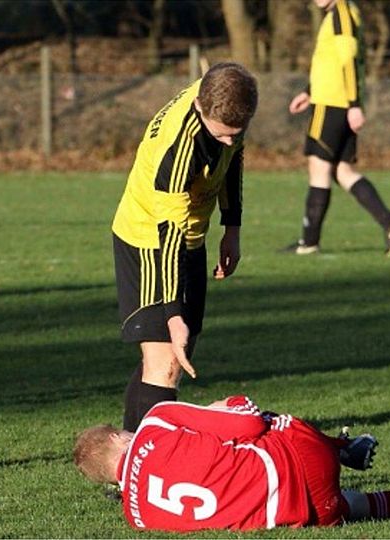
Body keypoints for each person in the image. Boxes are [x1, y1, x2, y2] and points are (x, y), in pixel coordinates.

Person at [74, 396, 390, 532]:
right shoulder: (155, 421)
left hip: (305, 512)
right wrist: (225, 404)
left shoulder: (138, 518)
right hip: (303, 457)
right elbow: (244, 425)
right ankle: (344, 448)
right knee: (259, 418)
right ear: (117, 436)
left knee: (360, 506)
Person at [112, 63, 257, 433]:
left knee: (170, 360)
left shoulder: (222, 94)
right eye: (222, 135)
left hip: (191, 236)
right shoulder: (180, 148)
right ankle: (143, 474)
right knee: (165, 361)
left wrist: (232, 227)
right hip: (150, 239)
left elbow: (233, 157)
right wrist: (174, 313)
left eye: (236, 134)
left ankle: (130, 465)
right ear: (199, 106)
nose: (230, 141)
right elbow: (170, 231)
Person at [283, 0, 390, 256]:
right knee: (342, 170)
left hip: (332, 104)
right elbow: (333, 63)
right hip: (334, 99)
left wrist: (354, 105)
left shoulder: (341, 14)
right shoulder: (342, 13)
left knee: (319, 169)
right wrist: (309, 91)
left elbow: (348, 61)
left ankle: (309, 242)